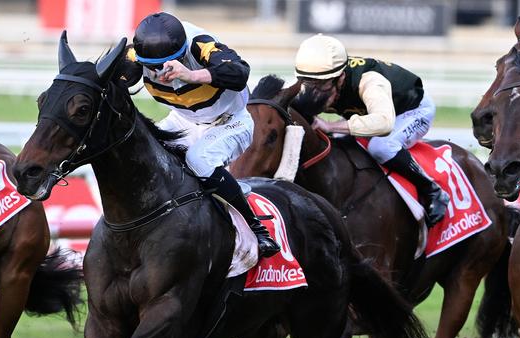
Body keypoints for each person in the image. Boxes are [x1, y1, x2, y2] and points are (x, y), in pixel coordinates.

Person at [129, 12, 279, 257]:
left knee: (199, 159)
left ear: (182, 51)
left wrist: (192, 75)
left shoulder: (200, 43)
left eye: (166, 64)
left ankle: (256, 227)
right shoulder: (137, 52)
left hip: (230, 120)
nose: (159, 72)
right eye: (152, 67)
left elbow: (240, 72)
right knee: (140, 155)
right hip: (183, 120)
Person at [293, 34, 450, 228]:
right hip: (365, 110)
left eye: (321, 86)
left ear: (340, 77)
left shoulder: (370, 80)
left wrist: (331, 125)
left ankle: (432, 189)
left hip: (410, 110)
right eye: (309, 83)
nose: (314, 92)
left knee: (381, 146)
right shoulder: (321, 78)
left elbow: (384, 123)